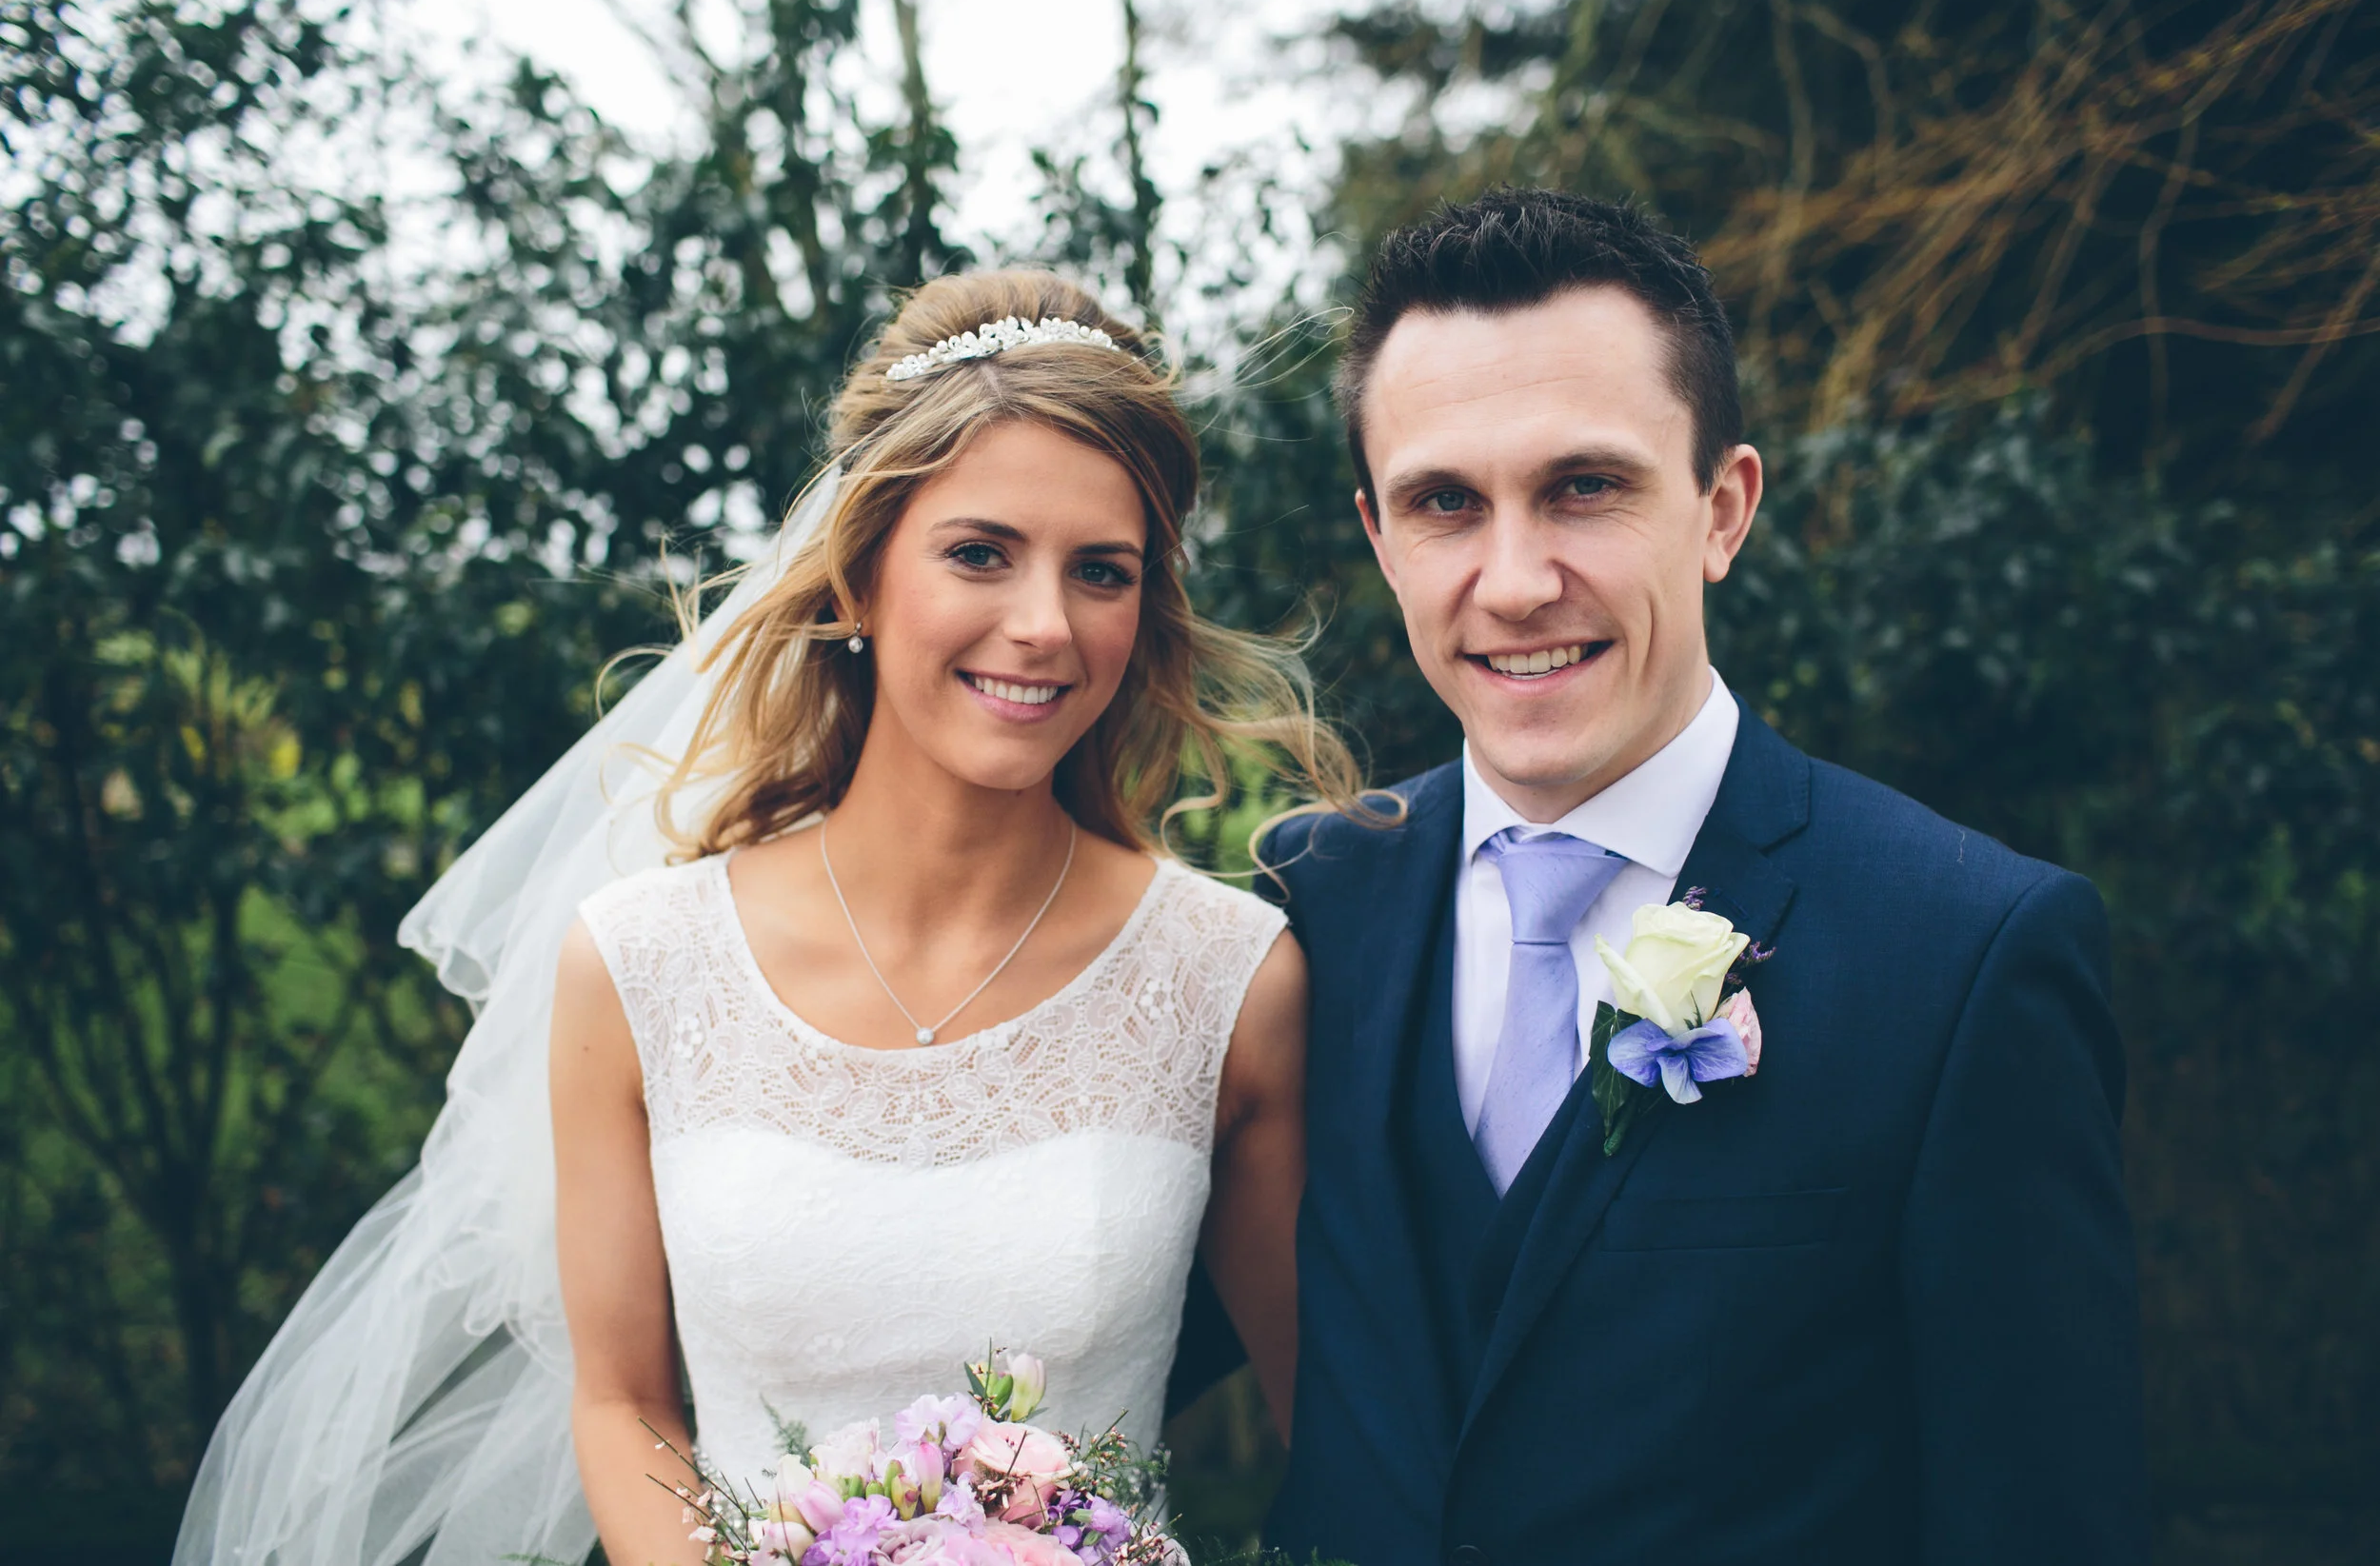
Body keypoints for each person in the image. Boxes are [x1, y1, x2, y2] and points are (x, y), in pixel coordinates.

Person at [173, 269, 1356, 1566]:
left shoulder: (1230, 982)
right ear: (857, 578)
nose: (1043, 625)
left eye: (1102, 572)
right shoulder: (640, 962)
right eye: (978, 553)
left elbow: (1337, 1432)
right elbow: (622, 1400)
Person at [1255, 190, 2150, 1566]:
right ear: (1381, 540)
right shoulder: (1307, 904)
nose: (1514, 581)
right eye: (1447, 504)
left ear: (1722, 509)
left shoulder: (1969, 952)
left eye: (1584, 487)